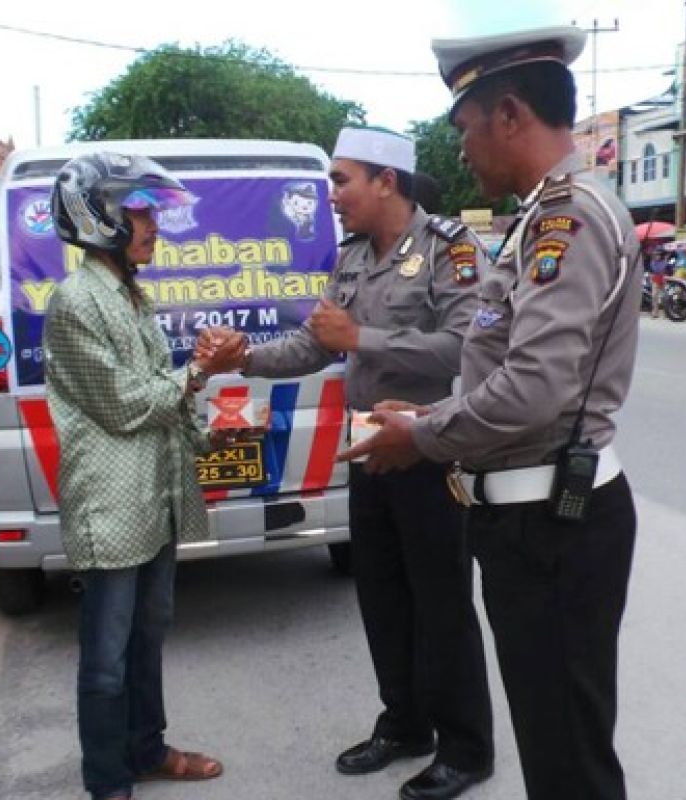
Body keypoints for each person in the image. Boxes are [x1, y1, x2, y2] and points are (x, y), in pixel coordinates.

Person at [338, 27, 642, 800]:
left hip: (553, 525)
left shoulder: (563, 220)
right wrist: (435, 409)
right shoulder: (542, 216)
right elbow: (506, 370)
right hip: (533, 518)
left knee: (568, 759)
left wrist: (425, 434)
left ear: (509, 114)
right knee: (556, 746)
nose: (464, 150)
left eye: (466, 127)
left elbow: (536, 387)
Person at [201, 126, 494, 800]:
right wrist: (244, 357)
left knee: (442, 603)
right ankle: (405, 725)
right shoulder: (353, 254)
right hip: (367, 449)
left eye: (342, 180)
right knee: (383, 598)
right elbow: (314, 344)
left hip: (428, 448)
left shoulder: (450, 249)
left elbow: (465, 347)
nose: (332, 195)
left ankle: (467, 748)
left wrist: (362, 336)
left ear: (386, 180)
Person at [41, 152, 225, 800]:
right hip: (111, 509)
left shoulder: (129, 293)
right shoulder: (75, 301)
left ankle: (147, 749)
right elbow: (123, 403)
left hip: (153, 498)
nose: (153, 226)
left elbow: (154, 389)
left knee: (147, 639)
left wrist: (203, 419)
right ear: (100, 217)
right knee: (106, 661)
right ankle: (107, 781)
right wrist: (197, 374)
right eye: (140, 212)